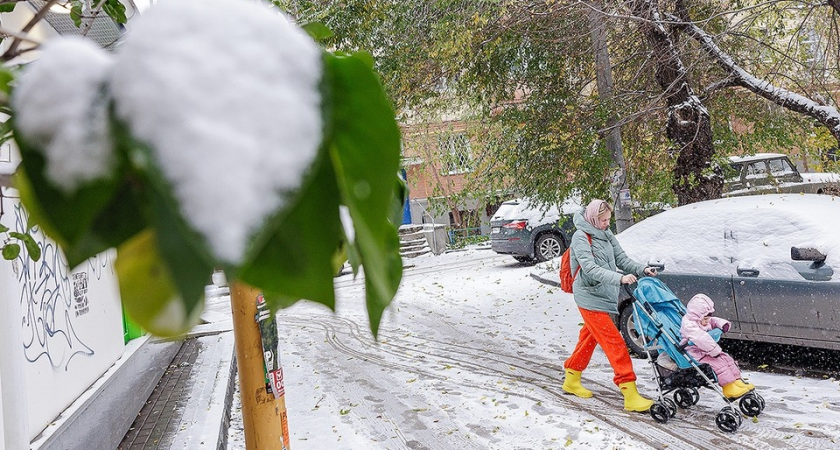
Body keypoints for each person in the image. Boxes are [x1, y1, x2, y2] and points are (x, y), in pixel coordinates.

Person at [561, 199, 658, 412]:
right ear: (594, 218)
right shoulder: (581, 237)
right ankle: (630, 394)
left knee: (589, 337)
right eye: (603, 220)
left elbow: (622, 259)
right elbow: (590, 269)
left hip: (604, 295)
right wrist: (619, 279)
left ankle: (571, 377)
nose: (607, 224)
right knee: (614, 342)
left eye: (608, 220)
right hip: (588, 297)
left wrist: (643, 269)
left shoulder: (606, 235)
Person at [679, 293, 755, 398]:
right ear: (697, 316)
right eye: (705, 319)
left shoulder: (703, 319)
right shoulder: (689, 325)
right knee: (718, 364)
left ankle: (736, 381)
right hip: (695, 352)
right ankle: (728, 387)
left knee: (726, 358)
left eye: (707, 318)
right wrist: (714, 351)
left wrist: (722, 324)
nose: (707, 321)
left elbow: (713, 320)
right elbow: (701, 338)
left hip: (705, 350)